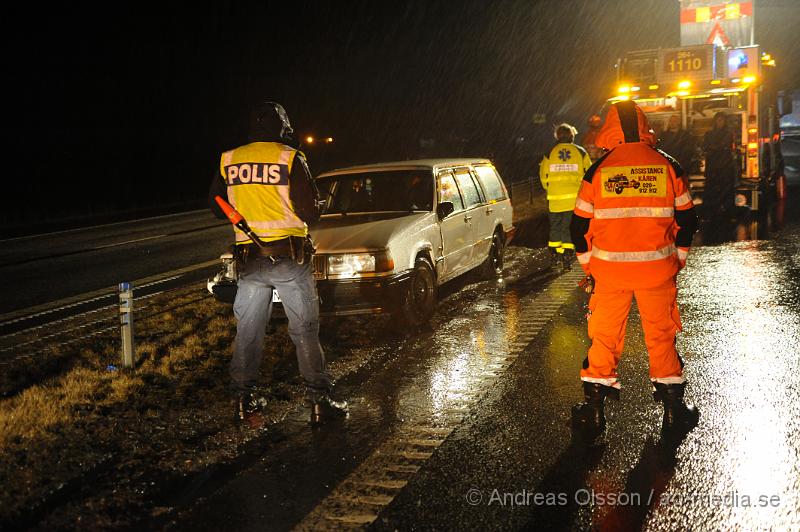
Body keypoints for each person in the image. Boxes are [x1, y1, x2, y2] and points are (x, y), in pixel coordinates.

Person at [570, 100, 699, 443]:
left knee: (605, 338)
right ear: (644, 126)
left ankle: (593, 413)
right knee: (661, 336)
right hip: (657, 272)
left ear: (609, 129)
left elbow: (577, 228)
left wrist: (590, 267)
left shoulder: (597, 171)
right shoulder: (668, 165)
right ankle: (674, 412)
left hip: (610, 274)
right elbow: (688, 220)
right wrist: (678, 260)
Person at [209, 101, 347, 423]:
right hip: (288, 259)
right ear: (282, 126)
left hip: (250, 263)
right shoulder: (289, 158)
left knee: (248, 332)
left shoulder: (230, 159)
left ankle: (244, 402)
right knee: (304, 330)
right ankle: (319, 401)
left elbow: (217, 204)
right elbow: (310, 211)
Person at [539, 123, 593, 270]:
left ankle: (555, 254)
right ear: (572, 136)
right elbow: (590, 174)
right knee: (568, 228)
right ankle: (567, 257)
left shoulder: (550, 152)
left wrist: (550, 189)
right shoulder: (580, 152)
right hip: (573, 200)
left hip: (555, 199)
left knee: (555, 227)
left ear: (557, 136)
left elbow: (543, 176)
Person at [702, 111, 737, 216]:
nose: (720, 122)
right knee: (711, 189)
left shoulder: (728, 134)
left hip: (724, 167)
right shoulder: (709, 134)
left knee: (725, 189)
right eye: (718, 119)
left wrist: (714, 148)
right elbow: (706, 146)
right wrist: (716, 148)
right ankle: (711, 210)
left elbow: (724, 145)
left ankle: (726, 209)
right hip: (713, 167)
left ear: (725, 121)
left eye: (722, 120)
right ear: (715, 121)